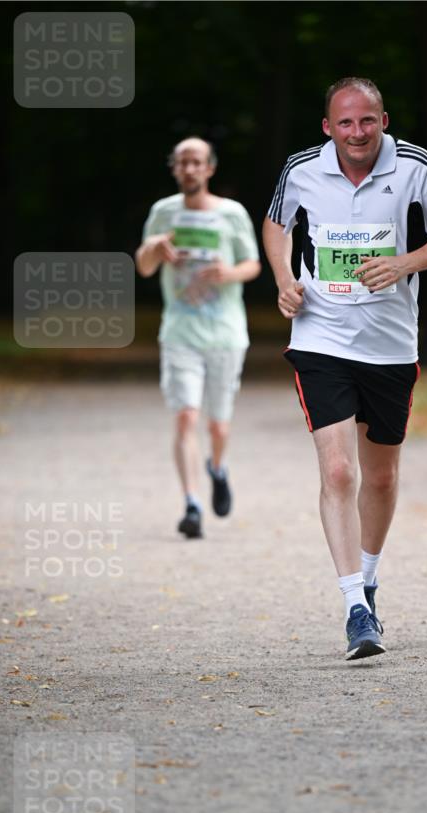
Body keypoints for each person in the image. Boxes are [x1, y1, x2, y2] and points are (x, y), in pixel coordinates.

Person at [263, 77, 427, 659]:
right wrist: (284, 280)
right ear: (328, 127)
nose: (358, 133)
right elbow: (277, 223)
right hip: (321, 337)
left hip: (390, 346)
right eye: (345, 123)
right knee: (338, 473)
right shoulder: (301, 168)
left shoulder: (417, 166)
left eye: (368, 121)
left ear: (384, 120)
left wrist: (404, 262)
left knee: (379, 477)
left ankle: (371, 579)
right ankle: (355, 607)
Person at [136, 137, 261, 538]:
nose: (189, 169)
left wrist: (230, 273)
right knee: (186, 415)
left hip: (225, 333)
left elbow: (254, 264)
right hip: (179, 330)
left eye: (197, 162)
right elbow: (144, 266)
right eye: (182, 162)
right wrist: (155, 247)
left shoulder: (232, 214)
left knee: (218, 427)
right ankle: (191, 504)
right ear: (174, 168)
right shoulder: (163, 212)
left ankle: (218, 469)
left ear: (210, 168)